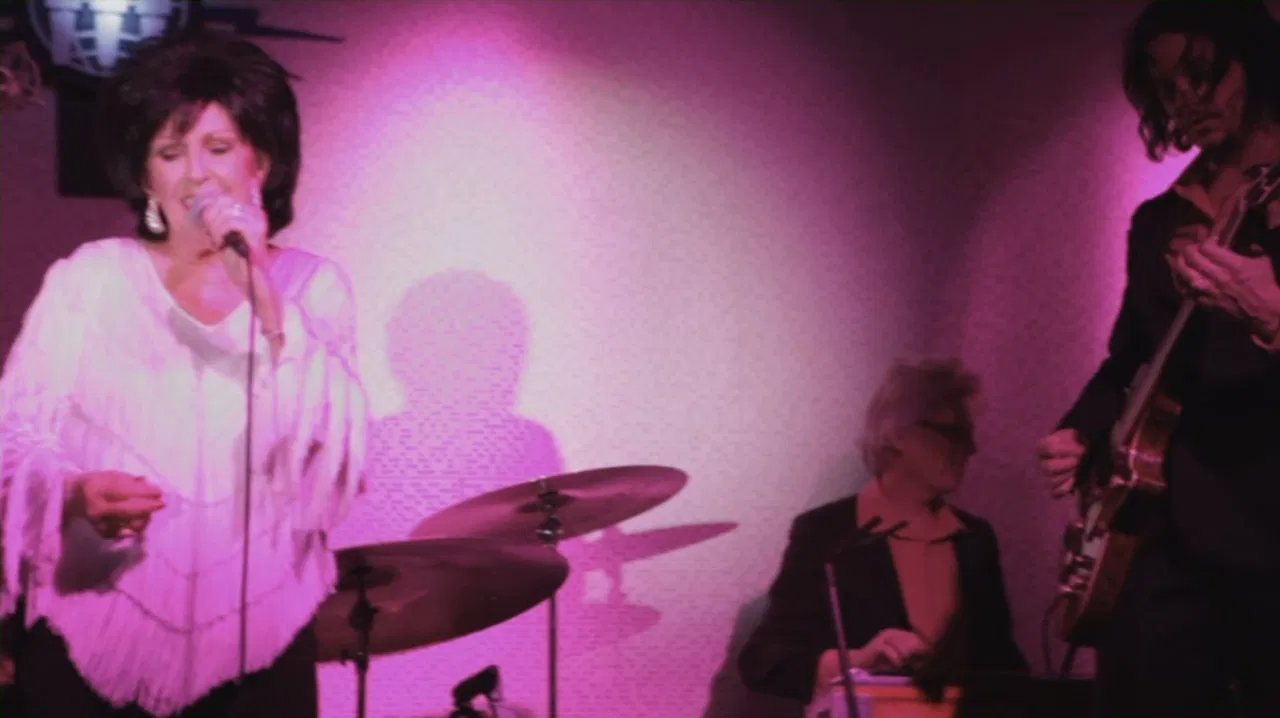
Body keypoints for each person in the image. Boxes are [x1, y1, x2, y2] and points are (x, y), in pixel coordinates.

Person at [0, 30, 369, 717]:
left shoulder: (311, 288)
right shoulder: (90, 278)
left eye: (218, 147)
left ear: (263, 161)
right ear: (146, 179)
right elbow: (13, 440)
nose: (196, 173)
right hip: (88, 630)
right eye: (169, 153)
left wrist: (260, 289)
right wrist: (75, 492)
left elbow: (332, 456)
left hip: (257, 644)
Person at [1036, 2, 1280, 716]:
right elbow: (1129, 361)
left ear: (1256, 63)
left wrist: (1272, 313)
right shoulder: (1160, 220)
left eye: (1204, 73)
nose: (1186, 99)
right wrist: (1079, 430)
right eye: (1167, 85)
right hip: (1168, 530)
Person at [738, 358, 1026, 706]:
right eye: (954, 432)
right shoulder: (829, 534)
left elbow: (1001, 662)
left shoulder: (974, 539)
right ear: (896, 434)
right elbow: (764, 661)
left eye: (968, 432)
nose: (970, 448)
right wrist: (859, 661)